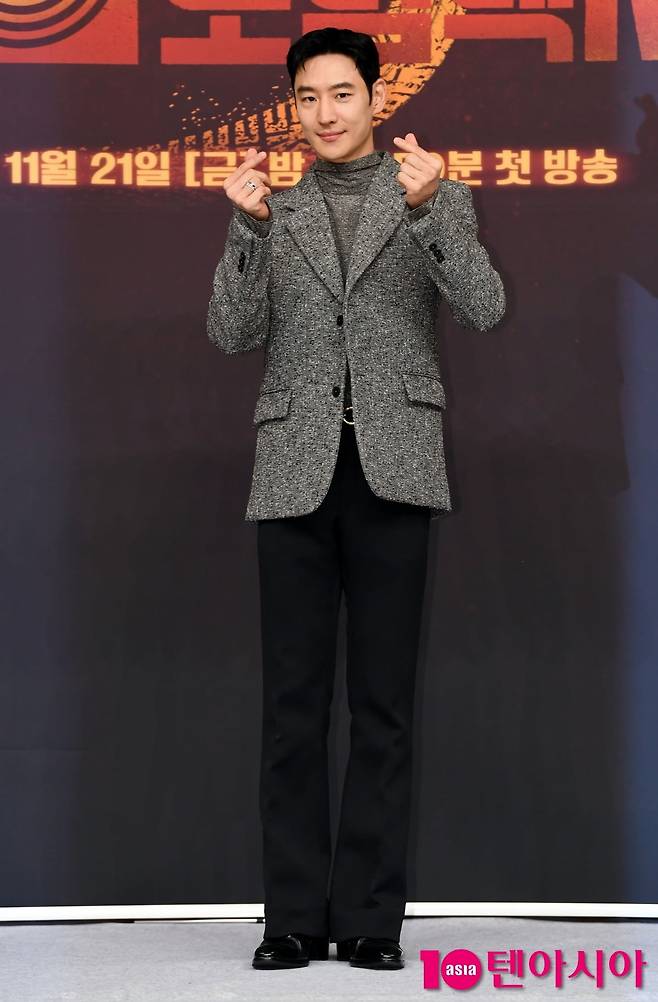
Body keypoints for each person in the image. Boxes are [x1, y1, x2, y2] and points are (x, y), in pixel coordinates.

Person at [206, 26, 506, 972]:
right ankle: (292, 917)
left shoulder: (430, 191)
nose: (324, 113)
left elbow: (486, 306)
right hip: (294, 467)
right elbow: (230, 332)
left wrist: (430, 211)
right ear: (292, 106)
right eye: (307, 97)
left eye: (341, 93)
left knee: (383, 707)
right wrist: (247, 231)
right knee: (293, 708)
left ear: (378, 98)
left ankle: (373, 920)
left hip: (394, 465)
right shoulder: (275, 206)